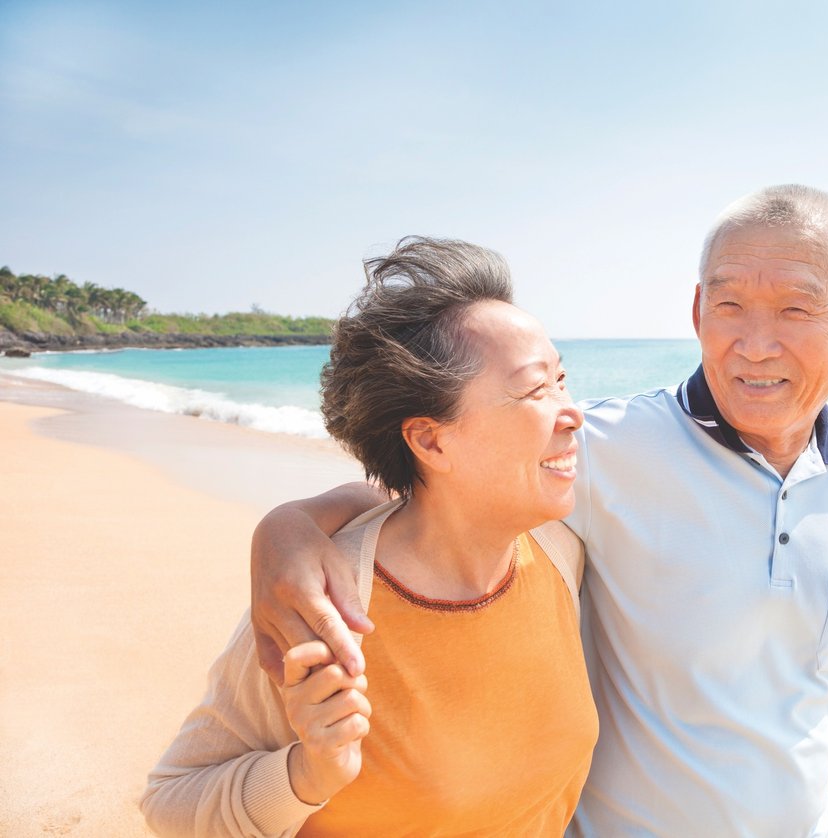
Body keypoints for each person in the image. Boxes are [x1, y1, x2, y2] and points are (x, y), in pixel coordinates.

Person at [250, 185, 828, 837]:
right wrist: (291, 526)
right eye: (729, 305)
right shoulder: (606, 445)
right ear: (697, 312)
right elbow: (447, 487)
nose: (753, 343)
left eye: (796, 311)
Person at [141, 237, 599, 836]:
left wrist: (298, 516)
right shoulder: (327, 602)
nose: (573, 412)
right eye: (536, 389)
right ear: (431, 441)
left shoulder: (561, 551)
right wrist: (307, 775)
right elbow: (171, 803)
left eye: (561, 380)